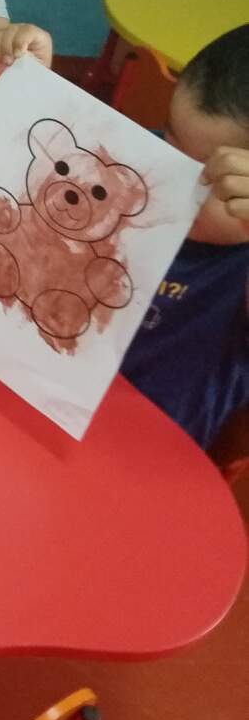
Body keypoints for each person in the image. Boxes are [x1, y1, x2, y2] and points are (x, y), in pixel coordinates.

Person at [121, 24, 249, 457]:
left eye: (216, 182)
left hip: (139, 459)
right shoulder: (138, 168)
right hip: (40, 397)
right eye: (172, 142)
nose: (177, 188)